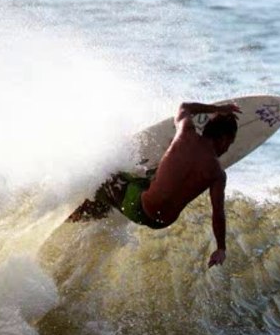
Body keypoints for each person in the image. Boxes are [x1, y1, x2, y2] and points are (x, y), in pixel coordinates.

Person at [67, 101, 241, 268]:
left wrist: (218, 108)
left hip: (139, 207)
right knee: (150, 177)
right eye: (231, 143)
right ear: (224, 139)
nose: (227, 149)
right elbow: (218, 213)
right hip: (161, 221)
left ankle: (76, 215)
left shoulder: (185, 134)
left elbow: (184, 107)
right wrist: (221, 248)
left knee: (105, 176)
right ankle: (137, 183)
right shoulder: (218, 175)